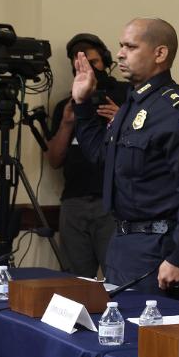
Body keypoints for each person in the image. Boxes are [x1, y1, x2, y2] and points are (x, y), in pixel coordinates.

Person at [71, 18, 179, 294]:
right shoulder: (133, 105)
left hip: (160, 249)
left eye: (130, 47)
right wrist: (82, 104)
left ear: (159, 53)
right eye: (120, 46)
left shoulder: (175, 109)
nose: (120, 54)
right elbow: (102, 157)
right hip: (122, 243)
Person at [46, 33, 128, 278]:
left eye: (94, 63)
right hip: (74, 201)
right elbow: (54, 160)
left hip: (114, 202)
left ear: (106, 61)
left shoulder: (126, 95)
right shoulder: (66, 105)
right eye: (81, 65)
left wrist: (121, 118)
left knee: (118, 275)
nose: (90, 69)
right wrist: (67, 123)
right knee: (75, 280)